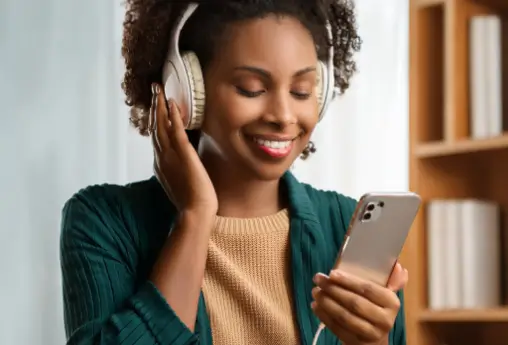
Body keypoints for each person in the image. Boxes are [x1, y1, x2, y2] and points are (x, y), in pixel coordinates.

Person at [60, 0, 409, 344]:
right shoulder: (104, 221)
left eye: (301, 91)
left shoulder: (346, 226)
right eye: (252, 89)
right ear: (186, 90)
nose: (283, 115)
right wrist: (194, 218)